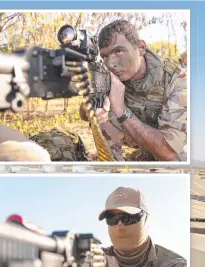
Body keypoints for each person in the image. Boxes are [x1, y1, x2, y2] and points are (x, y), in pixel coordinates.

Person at [30, 19, 187, 162]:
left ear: (141, 48)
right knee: (105, 119)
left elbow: (169, 152)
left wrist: (121, 110)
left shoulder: (177, 79)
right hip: (138, 137)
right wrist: (91, 108)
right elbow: (84, 115)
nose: (111, 63)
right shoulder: (107, 73)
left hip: (169, 143)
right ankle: (113, 169)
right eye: (105, 56)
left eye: (119, 51)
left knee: (178, 162)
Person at [68, 186, 187, 267]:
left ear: (146, 219)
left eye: (128, 217)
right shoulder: (96, 260)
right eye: (111, 218)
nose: (119, 225)